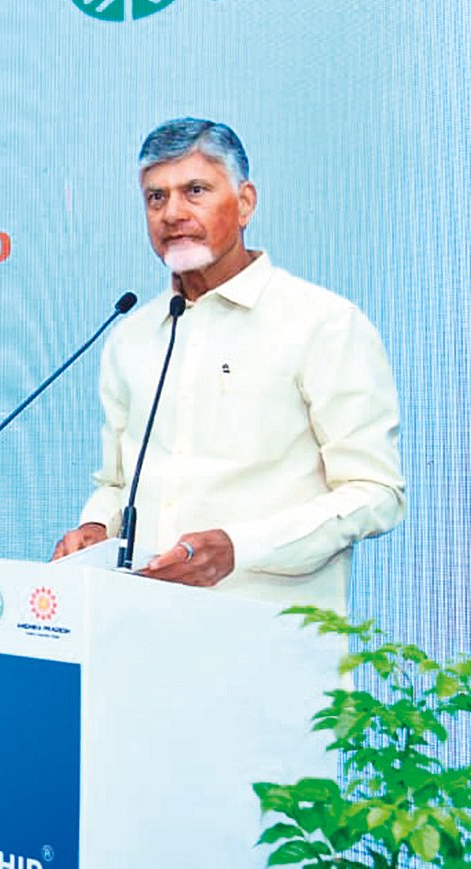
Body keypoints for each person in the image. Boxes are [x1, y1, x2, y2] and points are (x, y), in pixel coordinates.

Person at [52, 118, 405, 611]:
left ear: (245, 203)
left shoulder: (322, 323)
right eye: (156, 197)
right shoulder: (131, 336)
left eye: (194, 190)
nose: (172, 213)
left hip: (271, 636)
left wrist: (239, 549)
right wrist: (94, 527)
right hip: (141, 632)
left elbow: (375, 493)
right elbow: (116, 483)